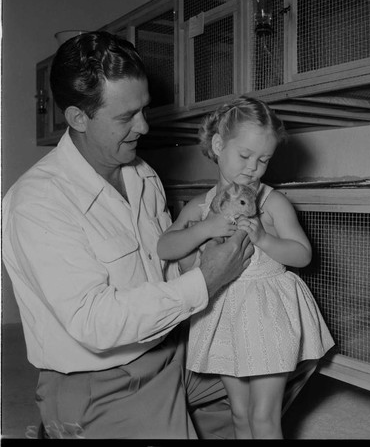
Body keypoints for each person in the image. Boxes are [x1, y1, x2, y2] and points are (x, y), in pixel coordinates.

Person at [2, 31, 255, 440]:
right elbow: (96, 323)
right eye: (125, 117)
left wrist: (201, 250)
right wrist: (207, 279)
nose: (144, 126)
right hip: (105, 380)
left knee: (287, 351)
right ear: (78, 118)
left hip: (172, 349)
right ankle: (69, 426)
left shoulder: (142, 174)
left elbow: (163, 264)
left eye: (144, 109)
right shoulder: (36, 202)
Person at [157, 96, 336, 439]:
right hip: (224, 315)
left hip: (268, 315)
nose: (253, 167)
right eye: (245, 155)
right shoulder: (202, 205)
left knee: (264, 416)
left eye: (264, 159)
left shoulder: (272, 202)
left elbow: (302, 254)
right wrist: (204, 227)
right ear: (218, 145)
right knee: (238, 414)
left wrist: (265, 240)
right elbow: (164, 246)